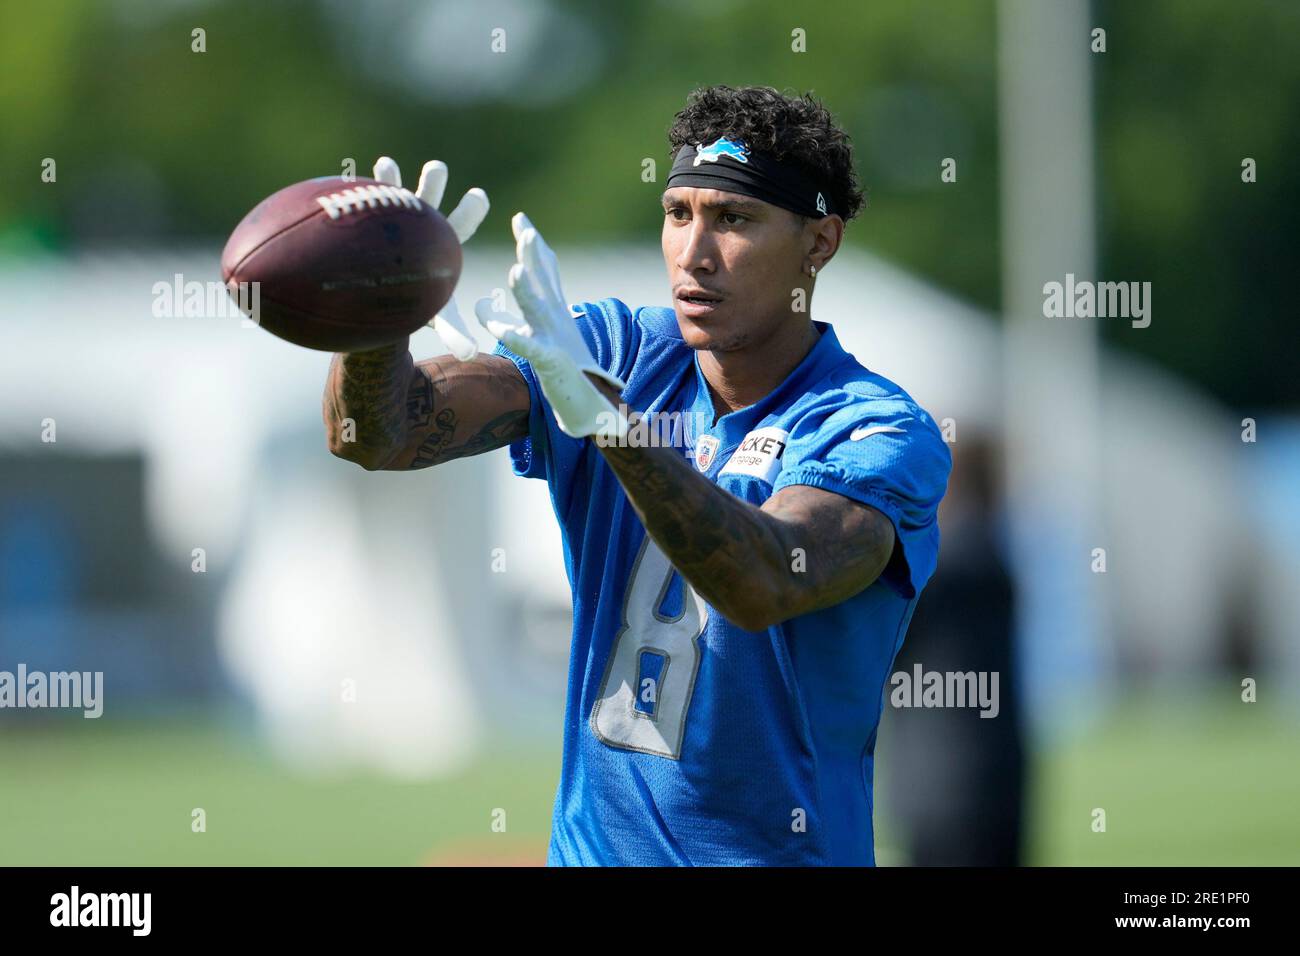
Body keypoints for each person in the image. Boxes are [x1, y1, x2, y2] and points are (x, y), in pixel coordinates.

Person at [323, 85, 951, 865]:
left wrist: (613, 427)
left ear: (819, 242)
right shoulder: (621, 350)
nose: (694, 251)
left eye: (734, 219)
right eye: (678, 212)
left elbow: (765, 580)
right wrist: (376, 317)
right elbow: (381, 435)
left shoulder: (875, 427)